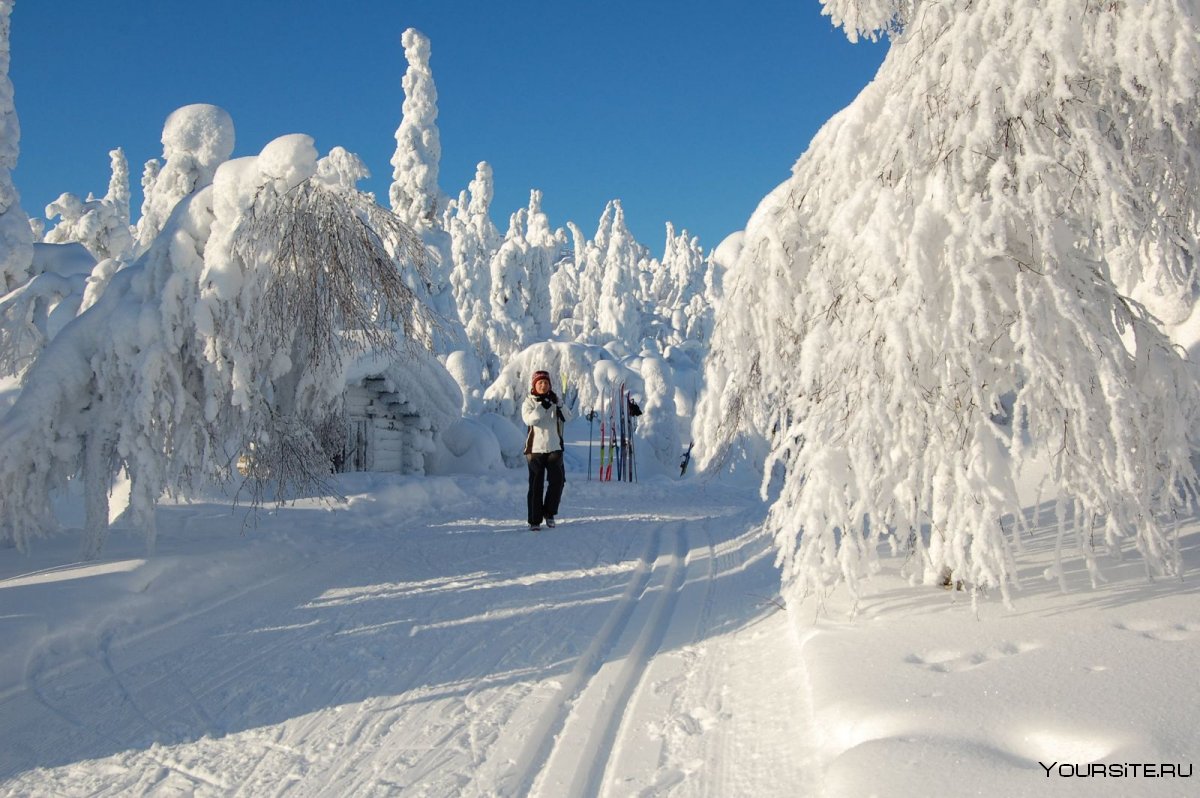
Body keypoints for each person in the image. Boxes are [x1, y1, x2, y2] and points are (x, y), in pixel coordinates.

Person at [522, 370, 571, 530]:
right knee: (536, 484)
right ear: (534, 385)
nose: (543, 385)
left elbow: (568, 418)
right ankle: (534, 520)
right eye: (540, 383)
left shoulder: (555, 401)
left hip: (554, 448)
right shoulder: (529, 402)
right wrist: (544, 406)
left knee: (558, 482)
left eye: (546, 383)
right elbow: (531, 419)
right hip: (535, 449)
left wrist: (560, 404)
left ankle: (549, 513)